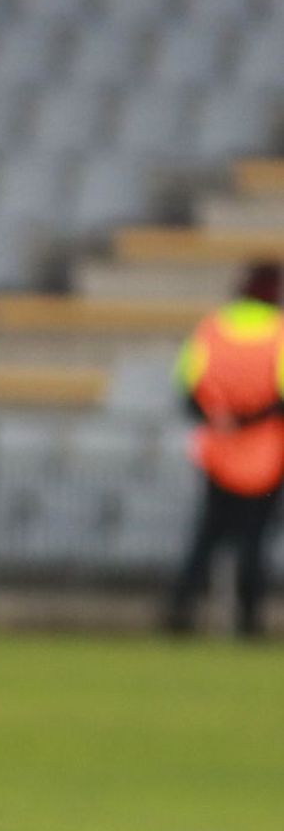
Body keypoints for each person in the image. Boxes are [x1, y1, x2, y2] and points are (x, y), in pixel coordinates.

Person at [165, 262, 284, 637]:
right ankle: (249, 620)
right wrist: (248, 420)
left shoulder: (212, 328)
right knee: (254, 540)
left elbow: (187, 387)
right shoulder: (279, 332)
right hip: (265, 454)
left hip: (218, 450)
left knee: (207, 537)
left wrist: (219, 418)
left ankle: (180, 612)